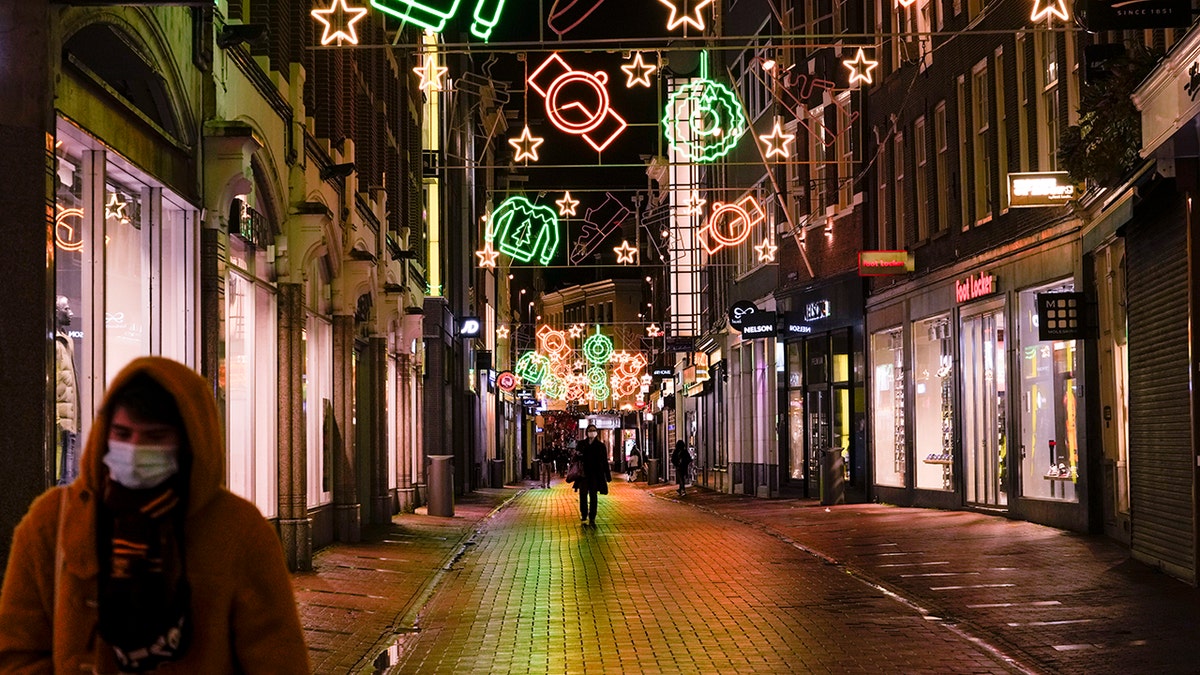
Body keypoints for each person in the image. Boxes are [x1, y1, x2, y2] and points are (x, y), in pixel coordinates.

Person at [0, 356, 310, 673]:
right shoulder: (54, 519)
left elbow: (278, 657)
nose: (134, 450)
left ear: (186, 442)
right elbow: (17, 651)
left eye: (154, 437)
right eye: (122, 433)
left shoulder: (239, 530)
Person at [574, 424, 611, 526]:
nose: (592, 432)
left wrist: (607, 476)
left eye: (594, 430)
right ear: (587, 432)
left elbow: (604, 462)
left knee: (593, 496)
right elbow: (575, 459)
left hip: (595, 475)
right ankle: (584, 514)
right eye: (590, 430)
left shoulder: (601, 446)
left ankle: (592, 516)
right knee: (583, 495)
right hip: (583, 475)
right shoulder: (581, 444)